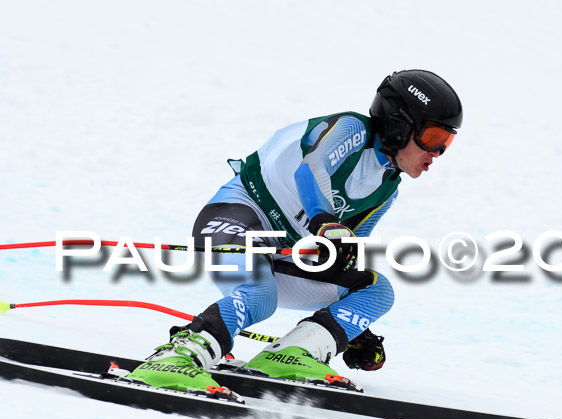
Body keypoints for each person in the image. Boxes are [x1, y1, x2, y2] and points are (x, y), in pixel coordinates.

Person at [127, 70, 463, 392]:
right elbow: (311, 169)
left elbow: (345, 254)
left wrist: (348, 327)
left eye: (446, 142)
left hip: (282, 256)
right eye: (433, 137)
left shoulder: (386, 189)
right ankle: (177, 357)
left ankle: (293, 353)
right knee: (260, 295)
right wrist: (323, 220)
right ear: (398, 126)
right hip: (236, 219)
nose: (437, 152)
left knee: (376, 291)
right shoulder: (352, 129)